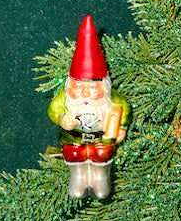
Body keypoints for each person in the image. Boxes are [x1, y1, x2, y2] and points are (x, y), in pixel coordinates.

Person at [46, 16, 129, 200]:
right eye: (78, 87)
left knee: (102, 155)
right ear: (70, 85)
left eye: (92, 88)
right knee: (75, 156)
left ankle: (100, 178)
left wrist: (121, 128)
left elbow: (123, 109)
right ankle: (78, 178)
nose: (85, 93)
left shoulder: (112, 99)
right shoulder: (65, 99)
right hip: (73, 139)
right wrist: (62, 118)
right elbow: (53, 109)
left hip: (102, 140)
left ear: (104, 87)